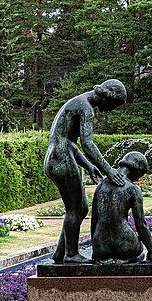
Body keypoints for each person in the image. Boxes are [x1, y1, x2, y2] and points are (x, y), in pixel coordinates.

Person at [44, 79, 128, 263]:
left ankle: (61, 253)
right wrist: (108, 170)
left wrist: (89, 166)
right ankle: (71, 255)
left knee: (78, 209)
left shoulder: (79, 102)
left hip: (59, 156)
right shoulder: (86, 108)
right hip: (61, 158)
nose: (110, 109)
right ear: (107, 96)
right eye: (113, 105)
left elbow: (68, 142)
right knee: (76, 209)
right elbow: (87, 144)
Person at [91, 151, 152, 264]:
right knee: (141, 253)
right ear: (136, 169)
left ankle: (109, 259)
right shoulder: (133, 189)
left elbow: (94, 221)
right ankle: (126, 260)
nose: (138, 179)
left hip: (101, 246)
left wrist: (95, 248)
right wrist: (151, 251)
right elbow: (141, 224)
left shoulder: (100, 186)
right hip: (125, 245)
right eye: (140, 174)